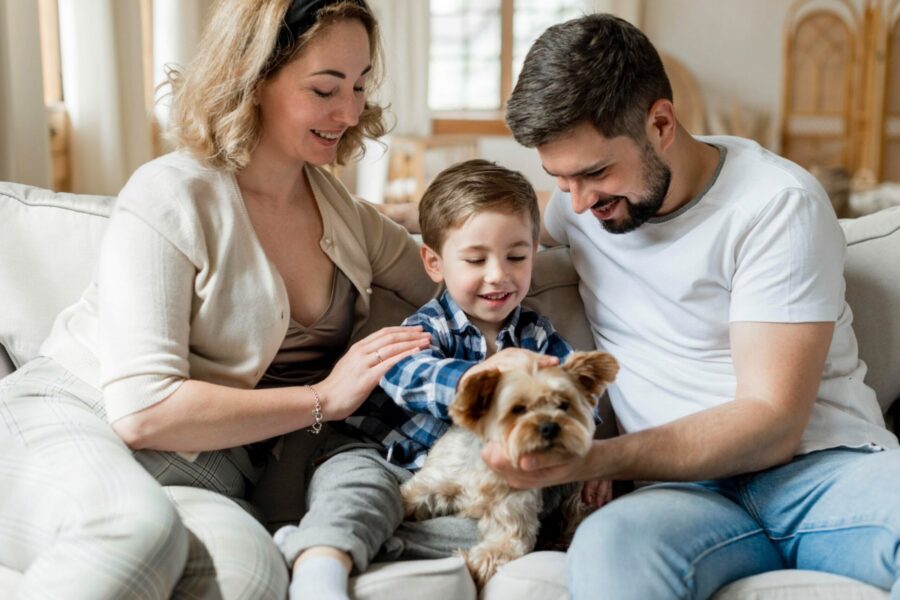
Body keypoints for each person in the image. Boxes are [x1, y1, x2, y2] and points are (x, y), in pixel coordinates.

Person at [0, 1, 435, 598]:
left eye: (360, 86)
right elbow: (142, 410)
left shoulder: (349, 219)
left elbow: (462, 285)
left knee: (251, 579)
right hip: (76, 417)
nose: (350, 110)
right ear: (254, 79)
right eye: (325, 88)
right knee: (132, 532)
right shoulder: (171, 194)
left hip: (208, 470)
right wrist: (322, 399)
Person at [481, 12, 900, 599]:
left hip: (823, 471)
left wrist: (595, 458)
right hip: (683, 496)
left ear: (660, 123)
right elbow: (466, 249)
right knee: (609, 547)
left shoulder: (775, 204)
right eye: (561, 179)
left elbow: (772, 422)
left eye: (595, 173)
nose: (576, 204)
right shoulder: (584, 208)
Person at [274, 158, 609, 600]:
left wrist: (592, 452)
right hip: (384, 456)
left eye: (516, 257)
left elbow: (578, 392)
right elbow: (404, 373)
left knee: (505, 530)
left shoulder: (538, 336)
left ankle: (344, 546)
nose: (498, 275)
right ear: (434, 263)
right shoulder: (426, 327)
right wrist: (481, 375)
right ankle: (321, 570)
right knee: (356, 491)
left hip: (474, 483)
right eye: (475, 259)